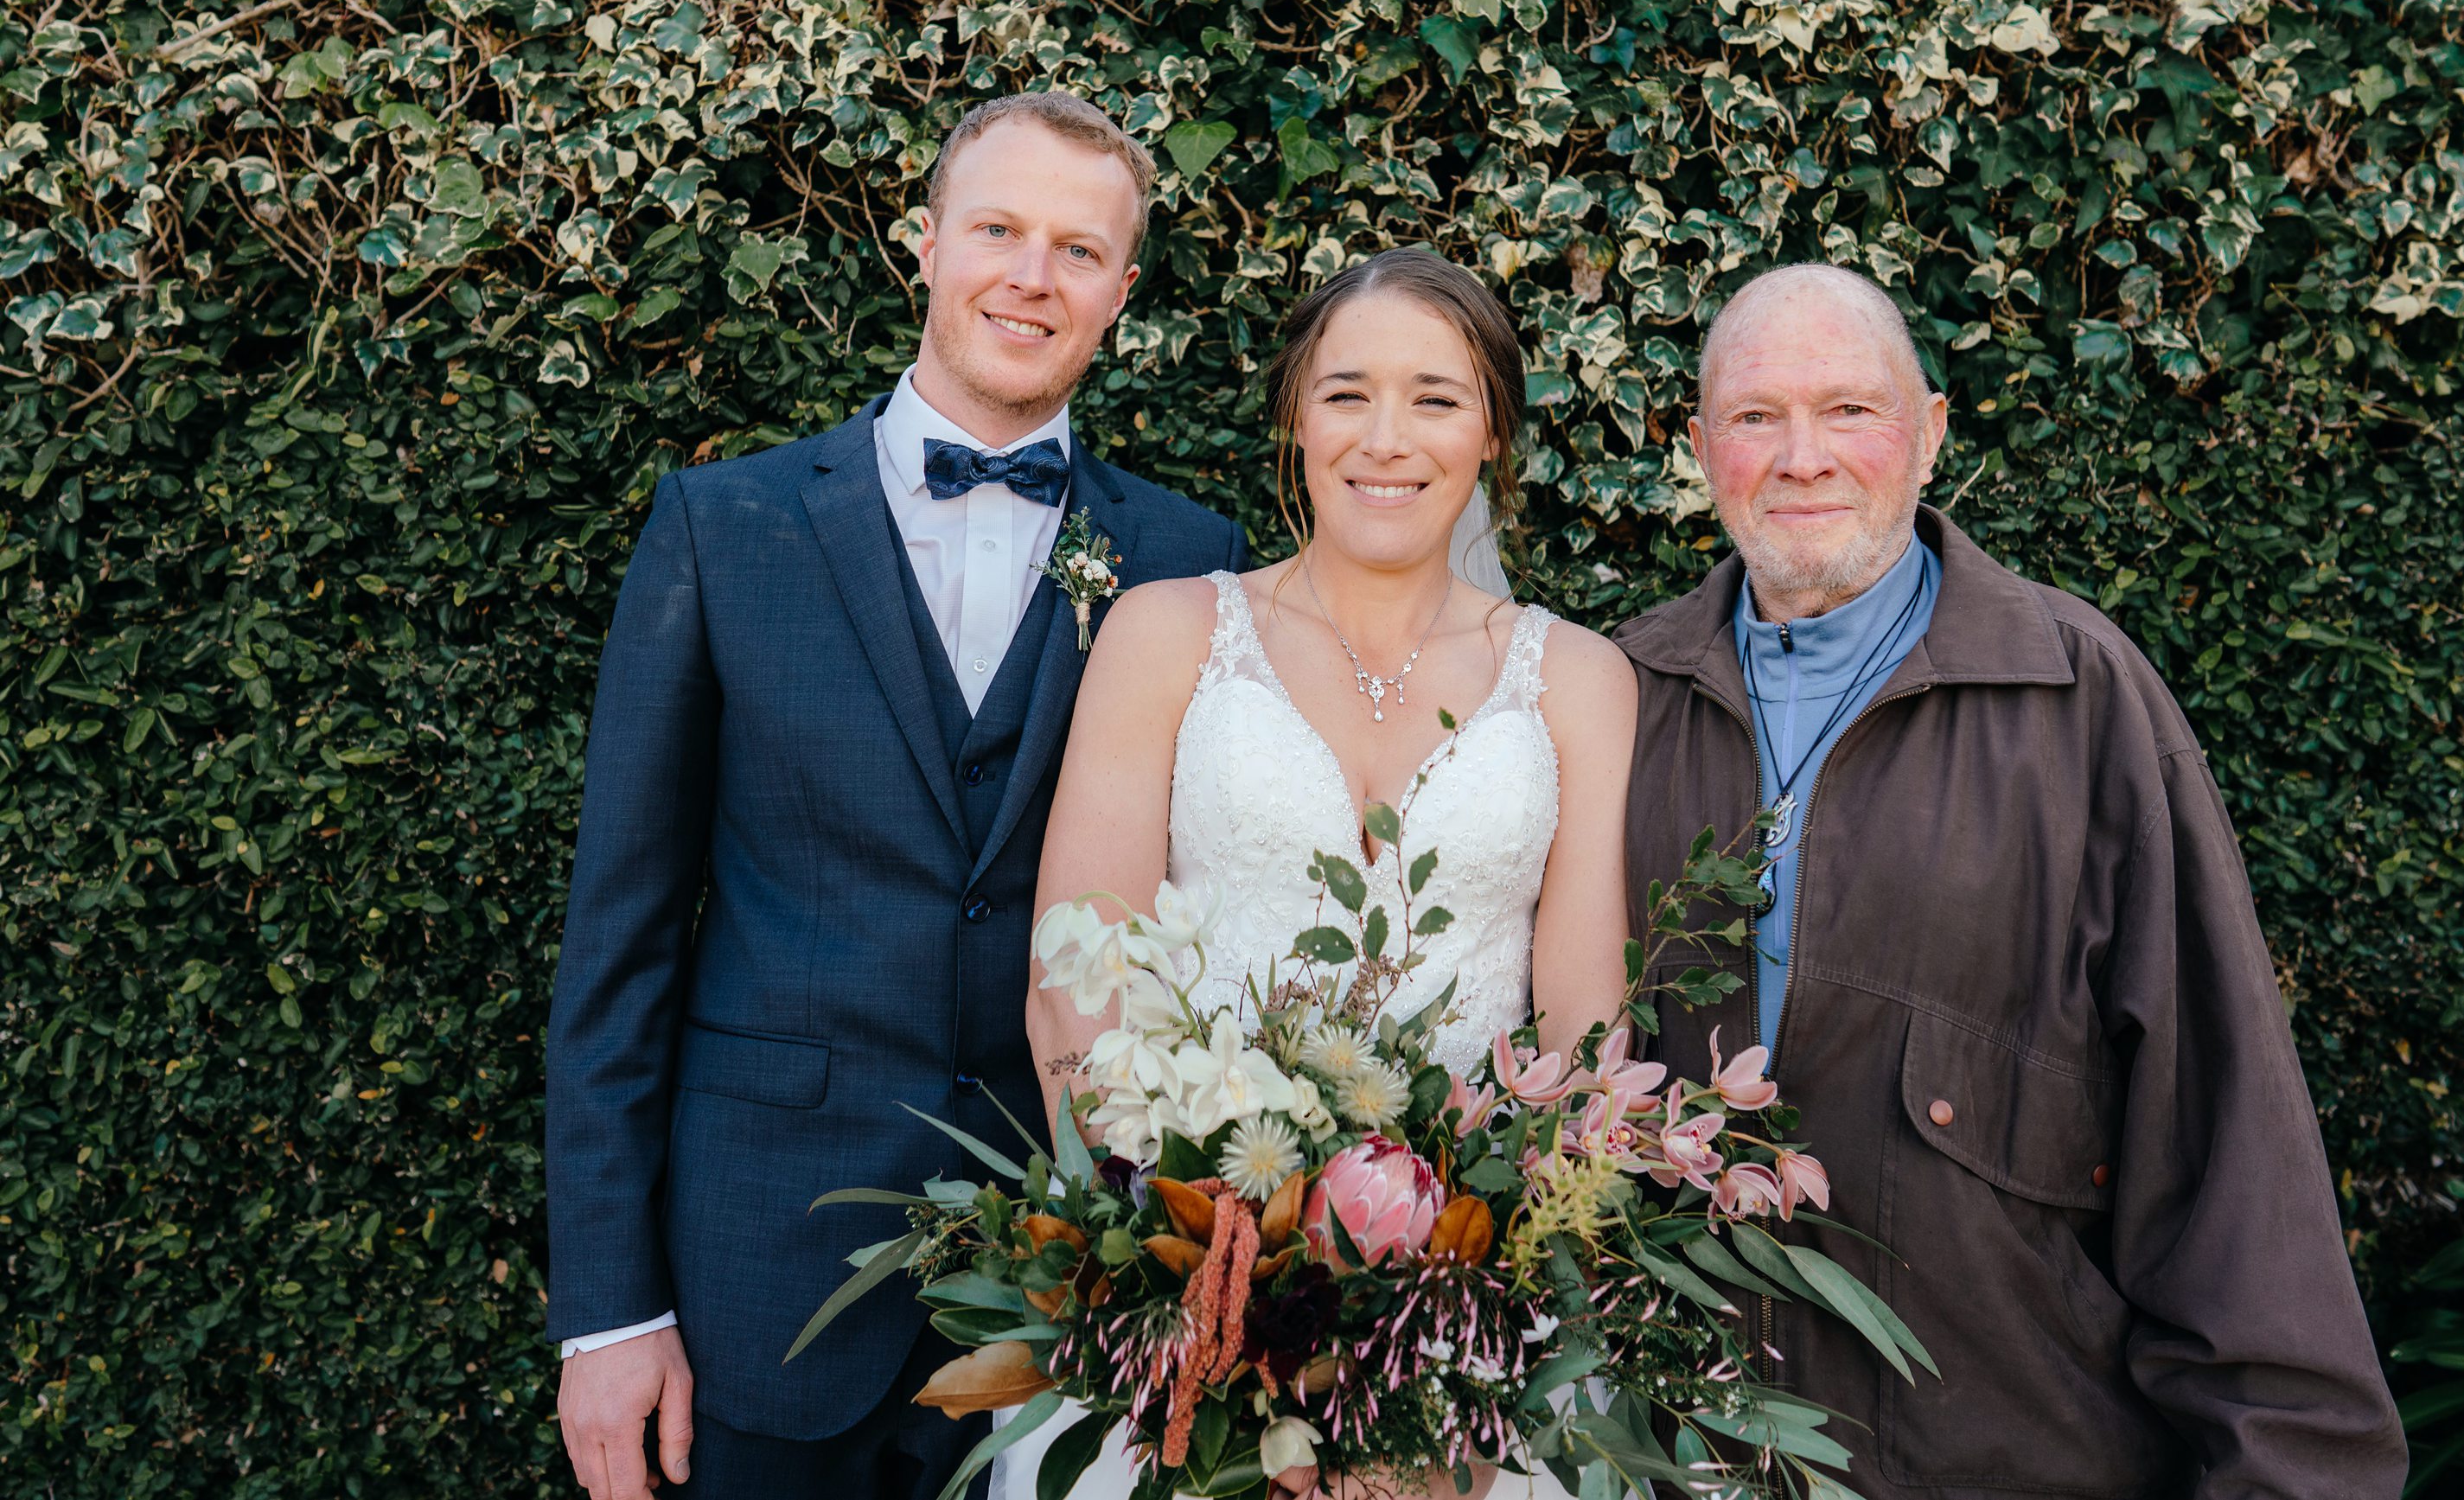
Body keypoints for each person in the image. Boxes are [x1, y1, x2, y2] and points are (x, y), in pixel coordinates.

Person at [543, 91, 1248, 1500]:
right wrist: (611, 1310)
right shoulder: (723, 527)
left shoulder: (1189, 554)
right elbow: (617, 946)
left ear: (1122, 289)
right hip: (761, 1283)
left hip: (1070, 1301)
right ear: (921, 243)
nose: (1031, 277)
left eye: (1079, 248)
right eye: (998, 229)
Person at [1614, 264, 2407, 1497]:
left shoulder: (2079, 698)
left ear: (1930, 434)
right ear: (1699, 446)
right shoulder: (1618, 701)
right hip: (1684, 1464)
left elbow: (2223, 1134)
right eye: (1756, 416)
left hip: (2010, 1460)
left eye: (1850, 410)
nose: (1802, 456)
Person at [997, 247, 1641, 1500]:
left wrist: (1448, 1354)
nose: (1386, 437)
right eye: (1346, 392)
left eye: (1436, 398)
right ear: (1297, 415)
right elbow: (1076, 977)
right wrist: (1185, 1287)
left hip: (1470, 1324)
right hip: (1191, 1299)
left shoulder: (1580, 679)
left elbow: (1581, 1036)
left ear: (1496, 432)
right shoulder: (1168, 633)